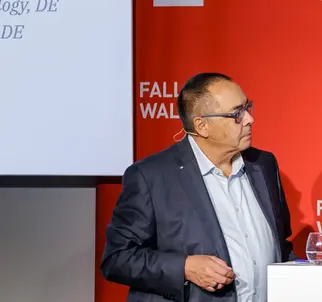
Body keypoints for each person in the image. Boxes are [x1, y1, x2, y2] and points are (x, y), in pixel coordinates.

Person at [101, 72, 296, 302]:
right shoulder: (150, 177)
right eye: (237, 113)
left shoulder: (263, 165)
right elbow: (117, 258)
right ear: (202, 126)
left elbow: (280, 244)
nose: (249, 119)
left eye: (248, 107)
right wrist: (184, 267)